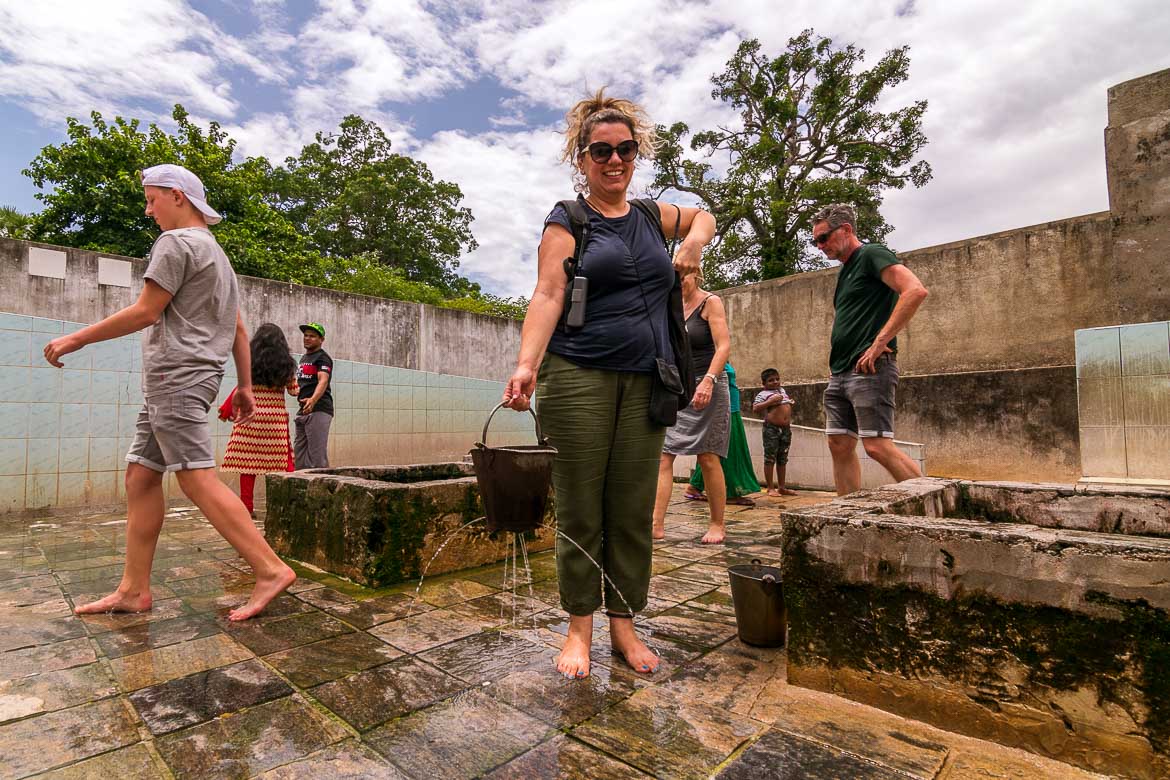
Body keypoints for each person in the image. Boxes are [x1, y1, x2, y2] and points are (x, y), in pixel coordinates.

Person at [501, 89, 715, 680]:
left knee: (631, 506)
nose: (614, 160)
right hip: (577, 377)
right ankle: (578, 627)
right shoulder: (568, 220)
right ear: (583, 158)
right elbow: (547, 295)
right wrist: (525, 365)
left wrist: (694, 242)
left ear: (636, 153)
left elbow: (703, 215)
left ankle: (625, 623)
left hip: (648, 380)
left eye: (625, 149)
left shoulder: (650, 216)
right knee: (580, 505)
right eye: (601, 151)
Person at [43, 163, 296, 621]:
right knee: (141, 476)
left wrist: (76, 338)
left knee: (195, 476)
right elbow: (238, 327)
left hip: (174, 377)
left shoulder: (175, 243)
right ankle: (133, 590)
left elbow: (145, 311)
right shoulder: (217, 254)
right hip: (191, 377)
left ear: (177, 195)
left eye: (151, 198)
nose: (148, 209)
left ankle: (270, 568)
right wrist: (242, 386)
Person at [812, 203, 929, 496]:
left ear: (846, 230)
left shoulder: (871, 254)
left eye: (823, 238)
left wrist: (879, 343)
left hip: (869, 368)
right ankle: (844, 511)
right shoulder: (846, 272)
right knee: (838, 443)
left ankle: (935, 500)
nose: (819, 246)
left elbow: (915, 290)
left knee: (877, 445)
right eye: (815, 241)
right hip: (840, 371)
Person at [652, 271, 731, 544]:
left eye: (683, 276)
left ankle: (717, 525)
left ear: (697, 275)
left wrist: (708, 380)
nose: (678, 281)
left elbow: (723, 347)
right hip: (679, 388)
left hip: (708, 384)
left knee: (708, 457)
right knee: (664, 455)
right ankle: (656, 524)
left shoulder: (710, 302)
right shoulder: (669, 307)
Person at [221, 323, 297, 517]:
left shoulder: (249, 361)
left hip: (251, 417)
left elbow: (241, 386)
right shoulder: (287, 363)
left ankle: (247, 507)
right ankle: (283, 505)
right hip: (274, 420)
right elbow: (294, 391)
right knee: (283, 463)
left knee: (248, 465)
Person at [684, 362, 760, 506]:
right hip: (724, 410)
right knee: (728, 452)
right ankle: (731, 492)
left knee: (713, 452)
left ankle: (694, 487)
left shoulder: (723, 358)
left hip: (732, 409)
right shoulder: (712, 359)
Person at [291, 322, 334, 469]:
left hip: (319, 409)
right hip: (303, 410)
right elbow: (303, 383)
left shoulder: (322, 358)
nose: (307, 338)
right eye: (306, 335)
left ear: (321, 339)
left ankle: (322, 490)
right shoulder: (304, 359)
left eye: (312, 336)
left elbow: (323, 380)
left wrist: (313, 400)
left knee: (317, 457)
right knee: (299, 456)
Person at [753, 368, 797, 496]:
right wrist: (770, 402)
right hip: (772, 429)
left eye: (777, 379)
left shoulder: (782, 391)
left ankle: (782, 487)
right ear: (764, 383)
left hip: (785, 430)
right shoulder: (762, 394)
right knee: (770, 458)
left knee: (782, 458)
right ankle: (770, 488)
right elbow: (755, 408)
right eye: (771, 380)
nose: (775, 382)